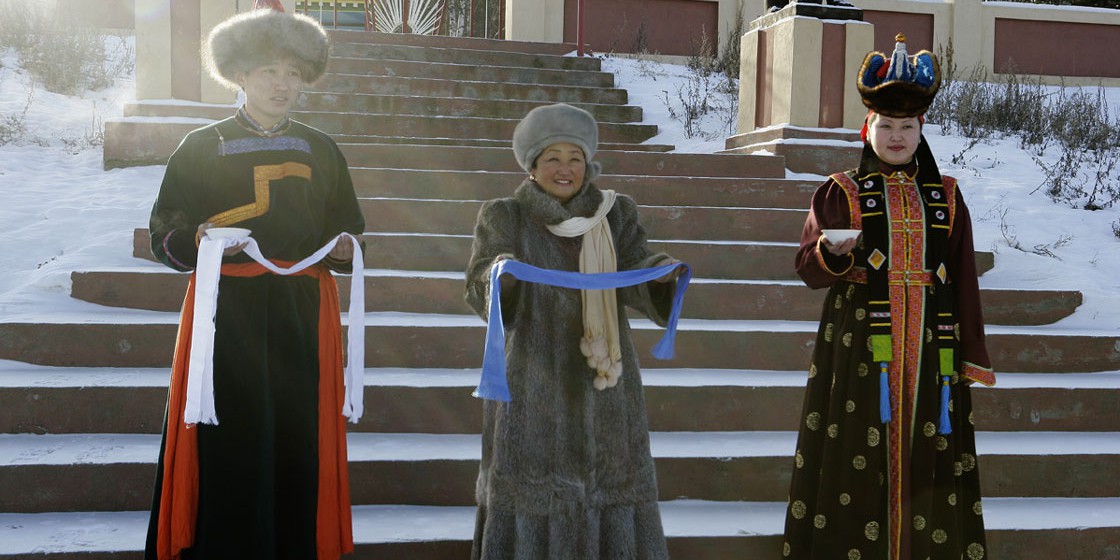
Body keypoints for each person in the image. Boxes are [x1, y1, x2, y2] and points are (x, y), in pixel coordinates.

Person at [143, 8, 364, 560]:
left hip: (302, 312)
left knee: (297, 436)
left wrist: (344, 247)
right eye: (269, 71)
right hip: (227, 312)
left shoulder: (321, 147)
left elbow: (346, 225)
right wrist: (195, 238)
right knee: (228, 438)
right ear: (239, 74)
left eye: (293, 73)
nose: (282, 84)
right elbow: (164, 233)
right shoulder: (200, 145)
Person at [782, 34, 995, 560]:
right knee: (856, 448)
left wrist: (970, 352)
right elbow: (807, 267)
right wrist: (832, 255)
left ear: (921, 130)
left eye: (907, 127)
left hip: (931, 345)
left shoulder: (946, 196)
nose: (896, 137)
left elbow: (963, 278)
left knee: (929, 451)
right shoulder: (841, 190)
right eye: (885, 126)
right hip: (859, 344)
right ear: (867, 128)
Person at [464, 103, 683, 559]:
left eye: (575, 158)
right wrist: (500, 276)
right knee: (533, 489)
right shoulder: (505, 216)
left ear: (588, 165)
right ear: (532, 166)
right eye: (553, 158)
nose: (565, 169)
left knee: (612, 488)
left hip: (605, 381)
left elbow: (635, 265)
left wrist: (658, 274)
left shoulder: (615, 214)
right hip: (532, 383)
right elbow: (480, 282)